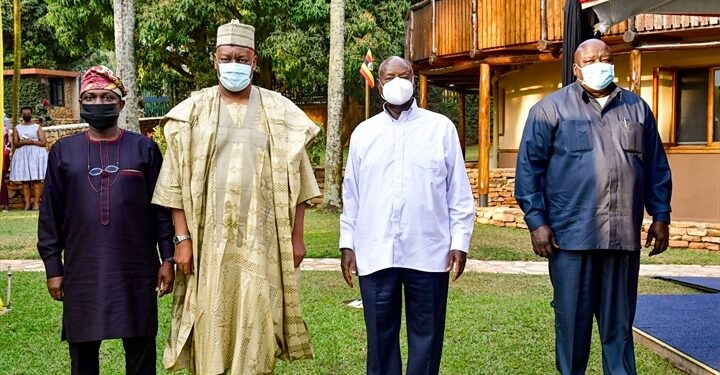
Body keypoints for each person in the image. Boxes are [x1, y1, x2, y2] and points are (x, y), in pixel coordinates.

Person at [152, 20, 320, 374]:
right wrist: (182, 239)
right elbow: (173, 184)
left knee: (258, 316)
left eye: (241, 58)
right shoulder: (192, 112)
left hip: (264, 240)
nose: (234, 65)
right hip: (206, 242)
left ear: (254, 61)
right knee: (209, 314)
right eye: (226, 57)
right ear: (215, 60)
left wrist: (297, 236)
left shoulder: (280, 111)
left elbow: (301, 179)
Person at [515, 39, 672, 375]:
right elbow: (529, 170)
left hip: (621, 238)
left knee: (619, 327)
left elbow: (656, 166)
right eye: (591, 59)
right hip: (570, 239)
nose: (600, 63)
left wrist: (661, 215)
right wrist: (536, 222)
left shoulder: (637, 108)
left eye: (606, 58)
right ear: (576, 68)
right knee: (572, 326)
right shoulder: (549, 110)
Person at [339, 56, 476, 375]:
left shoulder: (440, 128)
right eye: (389, 76)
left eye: (405, 75)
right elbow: (352, 194)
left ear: (413, 80)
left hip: (428, 252)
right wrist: (348, 244)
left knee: (427, 340)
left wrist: (460, 242)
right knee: (379, 338)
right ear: (380, 84)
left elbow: (458, 191)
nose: (397, 81)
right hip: (375, 252)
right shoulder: (363, 134)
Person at [37, 65, 175, 375]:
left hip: (136, 268)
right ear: (81, 103)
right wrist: (53, 268)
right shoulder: (63, 152)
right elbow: (50, 215)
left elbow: (161, 211)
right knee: (83, 352)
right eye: (90, 97)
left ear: (121, 104)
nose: (98, 103)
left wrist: (167, 258)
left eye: (106, 96)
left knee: (140, 346)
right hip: (82, 269)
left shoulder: (145, 149)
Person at [9, 106, 48, 210]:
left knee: (36, 180)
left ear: (31, 114)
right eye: (24, 114)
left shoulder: (37, 127)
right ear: (22, 115)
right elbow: (16, 144)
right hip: (22, 155)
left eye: (28, 113)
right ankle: (26, 204)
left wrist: (31, 142)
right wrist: (23, 143)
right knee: (25, 181)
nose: (26, 115)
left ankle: (36, 203)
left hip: (36, 154)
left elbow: (44, 142)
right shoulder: (17, 128)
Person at [1, 116, 10, 211]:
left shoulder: (4, 125)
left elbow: (6, 142)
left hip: (3, 155)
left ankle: (5, 205)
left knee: (1, 180)